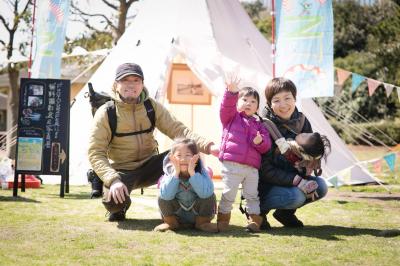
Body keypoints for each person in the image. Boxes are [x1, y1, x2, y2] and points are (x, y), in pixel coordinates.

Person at [88, 63, 218, 222]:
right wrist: (113, 180)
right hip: (123, 170)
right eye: (125, 80)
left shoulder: (151, 106)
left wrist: (208, 146)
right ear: (116, 84)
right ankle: (120, 206)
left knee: (186, 157)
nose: (131, 84)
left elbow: (178, 130)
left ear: (142, 84)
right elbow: (95, 151)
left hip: (152, 165)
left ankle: (187, 210)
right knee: (113, 202)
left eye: (136, 80)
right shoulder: (106, 112)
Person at [258, 77, 329, 230]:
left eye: (287, 98)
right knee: (296, 196)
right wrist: (298, 181)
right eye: (276, 100)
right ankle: (259, 212)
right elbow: (264, 169)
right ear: (269, 103)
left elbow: (311, 150)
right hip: (265, 185)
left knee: (320, 186)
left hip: (292, 179)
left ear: (295, 98)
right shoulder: (264, 125)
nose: (283, 105)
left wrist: (310, 165)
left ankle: (285, 214)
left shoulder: (302, 121)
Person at [217, 76, 272, 233]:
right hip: (232, 164)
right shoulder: (231, 117)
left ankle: (254, 221)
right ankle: (223, 220)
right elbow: (226, 107)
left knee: (252, 195)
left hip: (252, 169)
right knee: (229, 193)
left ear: (257, 107)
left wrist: (259, 142)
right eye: (245, 99)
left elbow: (266, 146)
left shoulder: (260, 126)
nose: (248, 103)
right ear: (237, 102)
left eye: (253, 101)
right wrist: (231, 93)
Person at [154, 138, 218, 233]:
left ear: (196, 157)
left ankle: (202, 223)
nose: (183, 159)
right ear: (172, 158)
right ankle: (171, 223)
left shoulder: (202, 172)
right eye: (179, 155)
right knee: (162, 196)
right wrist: (175, 173)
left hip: (196, 214)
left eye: (188, 155)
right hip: (177, 214)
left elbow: (206, 194)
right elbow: (166, 196)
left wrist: (192, 173)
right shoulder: (169, 173)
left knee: (210, 195)